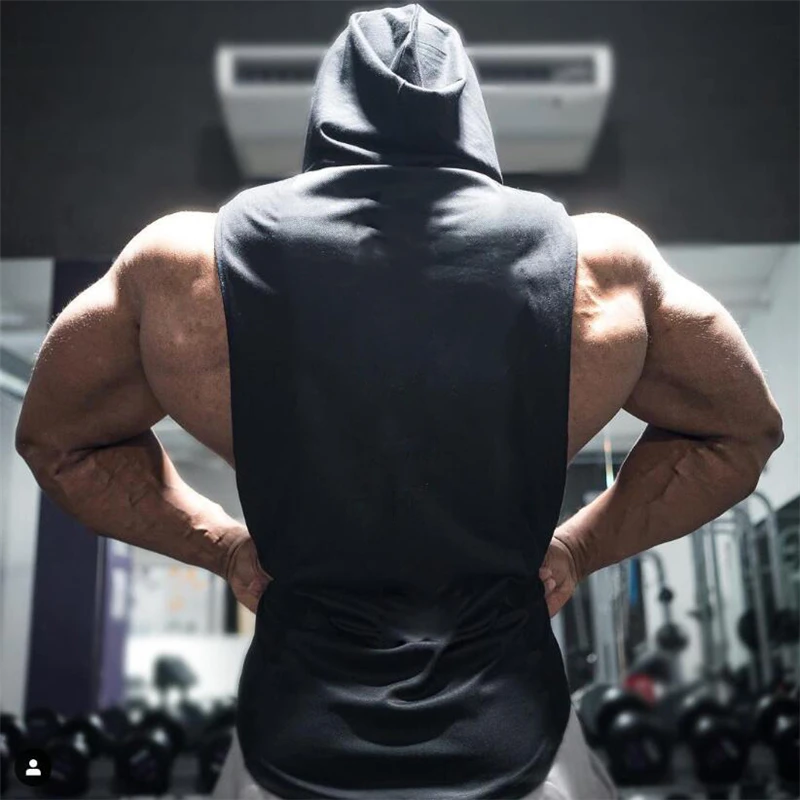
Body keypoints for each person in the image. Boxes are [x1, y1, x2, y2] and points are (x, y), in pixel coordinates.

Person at [16, 4, 783, 799]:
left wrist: (222, 547)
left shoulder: (181, 266)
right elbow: (742, 434)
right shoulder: (604, 263)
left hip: (291, 752)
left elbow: (56, 442)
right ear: (469, 115)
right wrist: (579, 549)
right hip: (520, 753)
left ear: (328, 108)